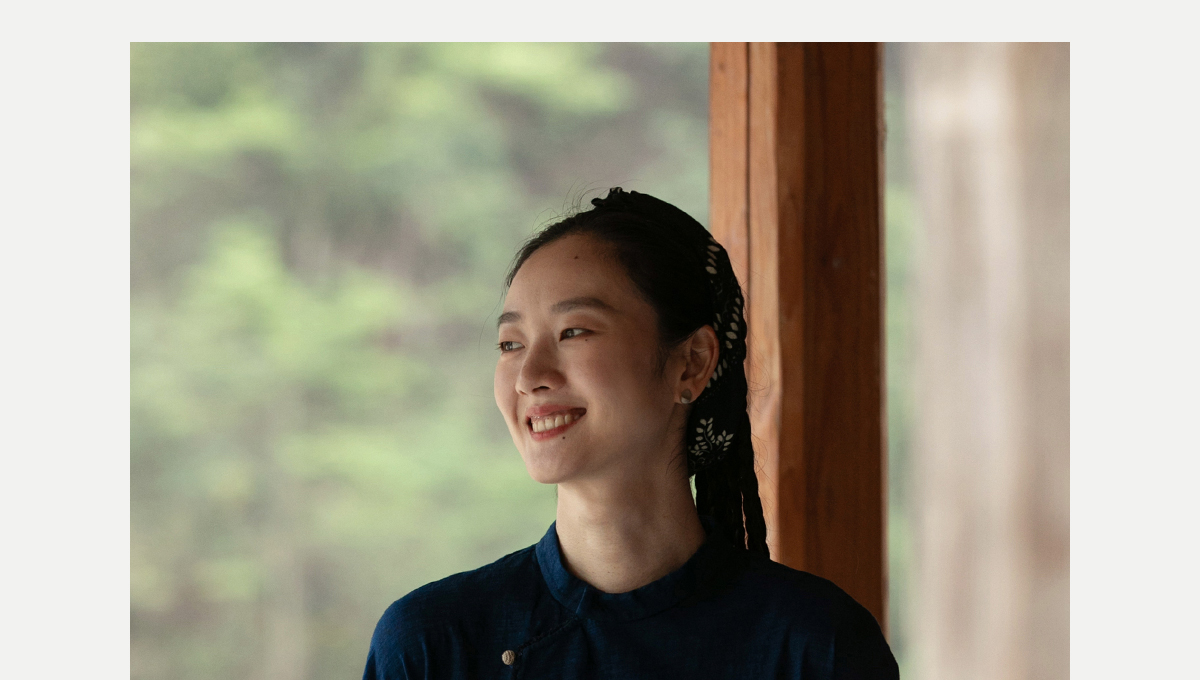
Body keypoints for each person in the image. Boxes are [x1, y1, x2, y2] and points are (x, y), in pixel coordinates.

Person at [362, 188, 898, 679]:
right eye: (510, 344)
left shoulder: (815, 646)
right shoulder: (431, 645)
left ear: (692, 362)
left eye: (574, 331)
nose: (529, 376)